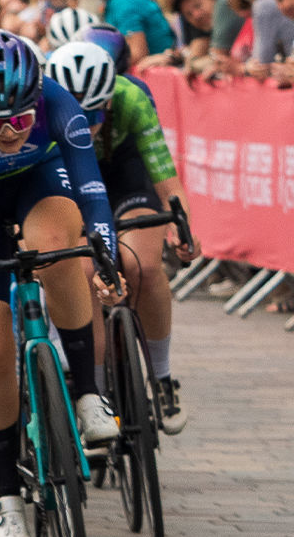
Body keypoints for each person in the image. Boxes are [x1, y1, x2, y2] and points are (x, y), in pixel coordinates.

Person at [0, 31, 121, 537]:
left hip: (41, 181)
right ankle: (7, 493)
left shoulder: (59, 100)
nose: (8, 132)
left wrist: (105, 257)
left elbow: (94, 194)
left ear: (36, 100)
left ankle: (85, 394)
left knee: (58, 246)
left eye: (18, 119)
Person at [46, 41, 194, 426]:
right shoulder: (43, 107)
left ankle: (161, 377)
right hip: (71, 181)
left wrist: (184, 228)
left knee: (140, 265)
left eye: (95, 113)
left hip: (125, 177)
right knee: (82, 274)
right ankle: (92, 397)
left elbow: (167, 179)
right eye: (77, 114)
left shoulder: (130, 97)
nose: (88, 125)